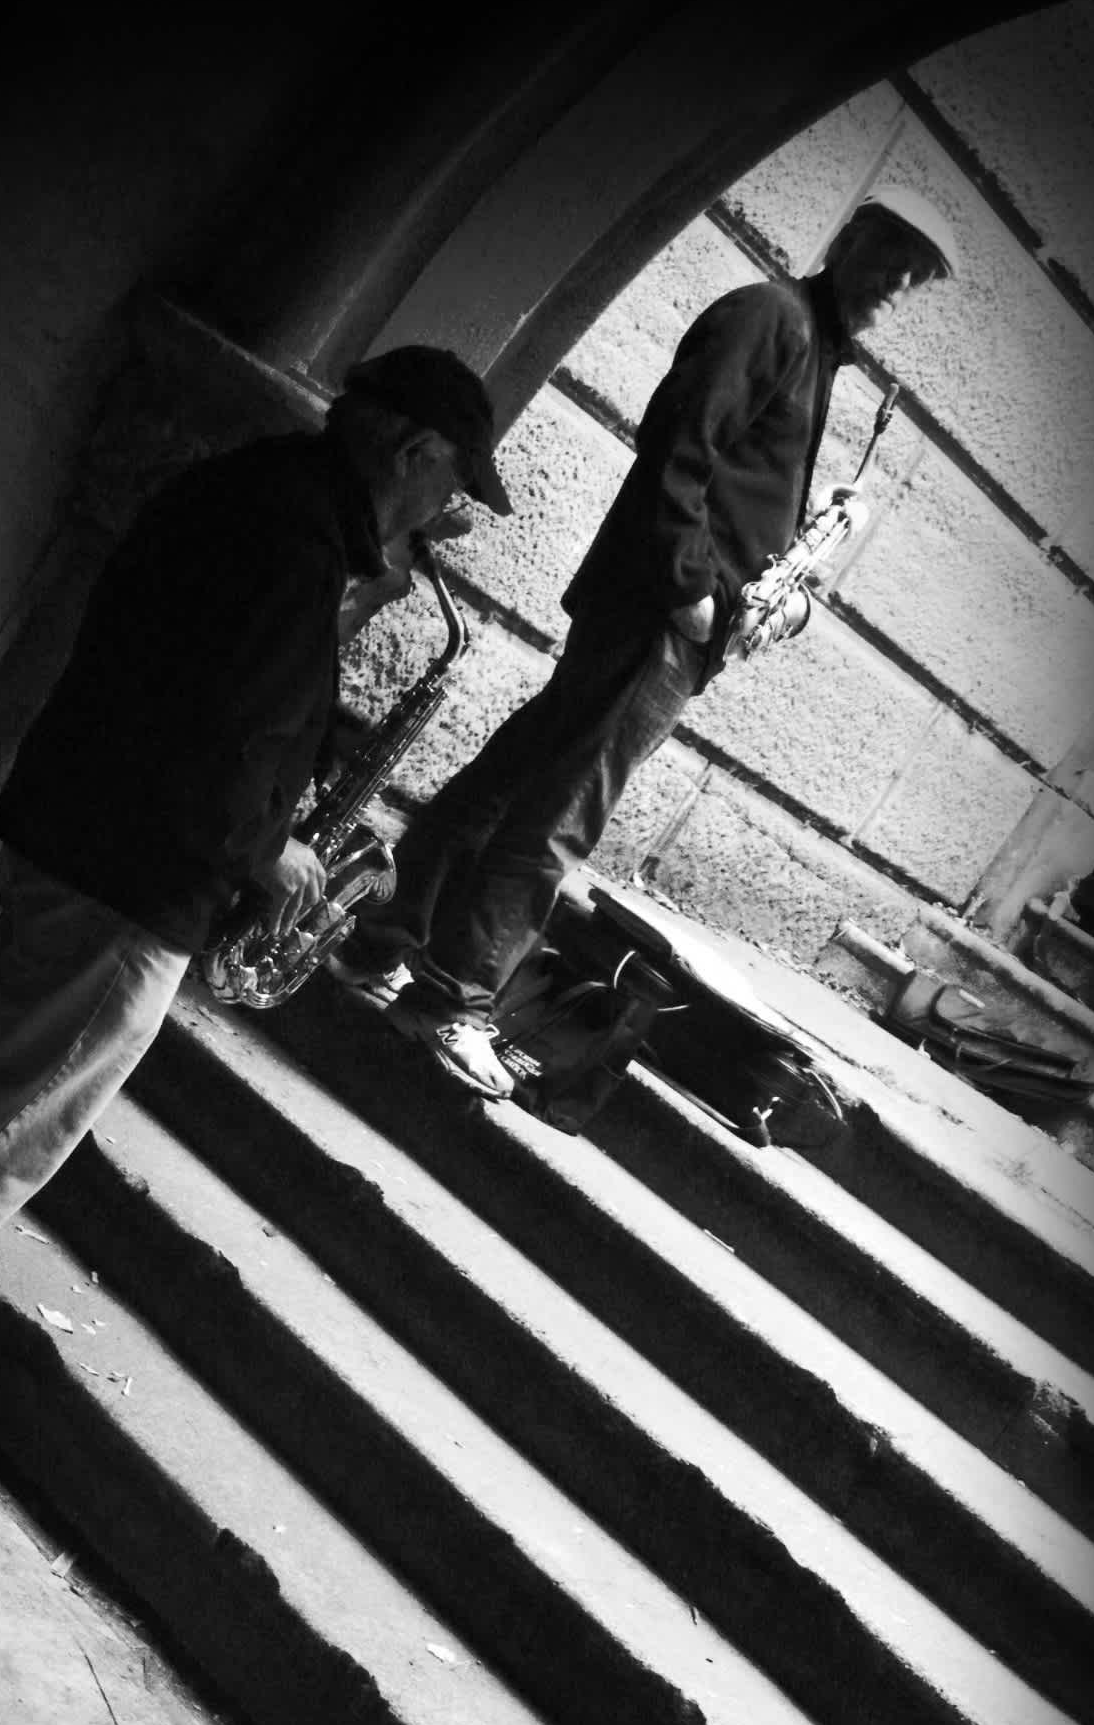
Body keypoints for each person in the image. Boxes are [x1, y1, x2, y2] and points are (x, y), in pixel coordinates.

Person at [0, 345, 513, 1485]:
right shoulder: (293, 542)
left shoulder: (257, 493)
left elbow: (193, 684)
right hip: (135, 879)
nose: (445, 517)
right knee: (2, 1126)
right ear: (415, 450)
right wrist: (266, 853)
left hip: (83, 838)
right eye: (452, 487)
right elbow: (214, 737)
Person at [333, 188, 960, 1096]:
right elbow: (677, 446)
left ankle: (387, 939)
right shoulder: (770, 317)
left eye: (916, 277)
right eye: (890, 256)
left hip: (663, 612)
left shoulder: (813, 348)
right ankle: (450, 1001)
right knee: (564, 812)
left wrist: (768, 596)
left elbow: (732, 477)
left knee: (523, 771)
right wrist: (695, 593)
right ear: (850, 237)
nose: (896, 284)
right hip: (661, 613)